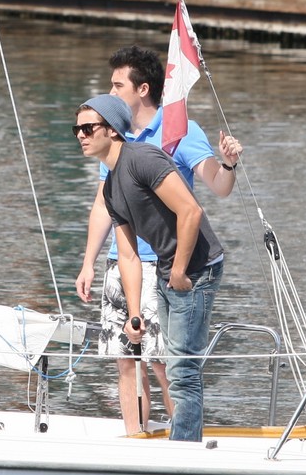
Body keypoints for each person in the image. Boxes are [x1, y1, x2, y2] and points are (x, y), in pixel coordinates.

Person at [74, 45, 241, 432]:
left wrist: (229, 163)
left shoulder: (173, 132)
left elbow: (212, 190)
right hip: (130, 261)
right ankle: (137, 441)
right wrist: (89, 263)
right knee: (126, 358)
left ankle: (181, 442)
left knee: (171, 364)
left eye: (118, 86)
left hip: (176, 261)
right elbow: (107, 207)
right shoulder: (114, 153)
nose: (110, 94)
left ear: (143, 88)